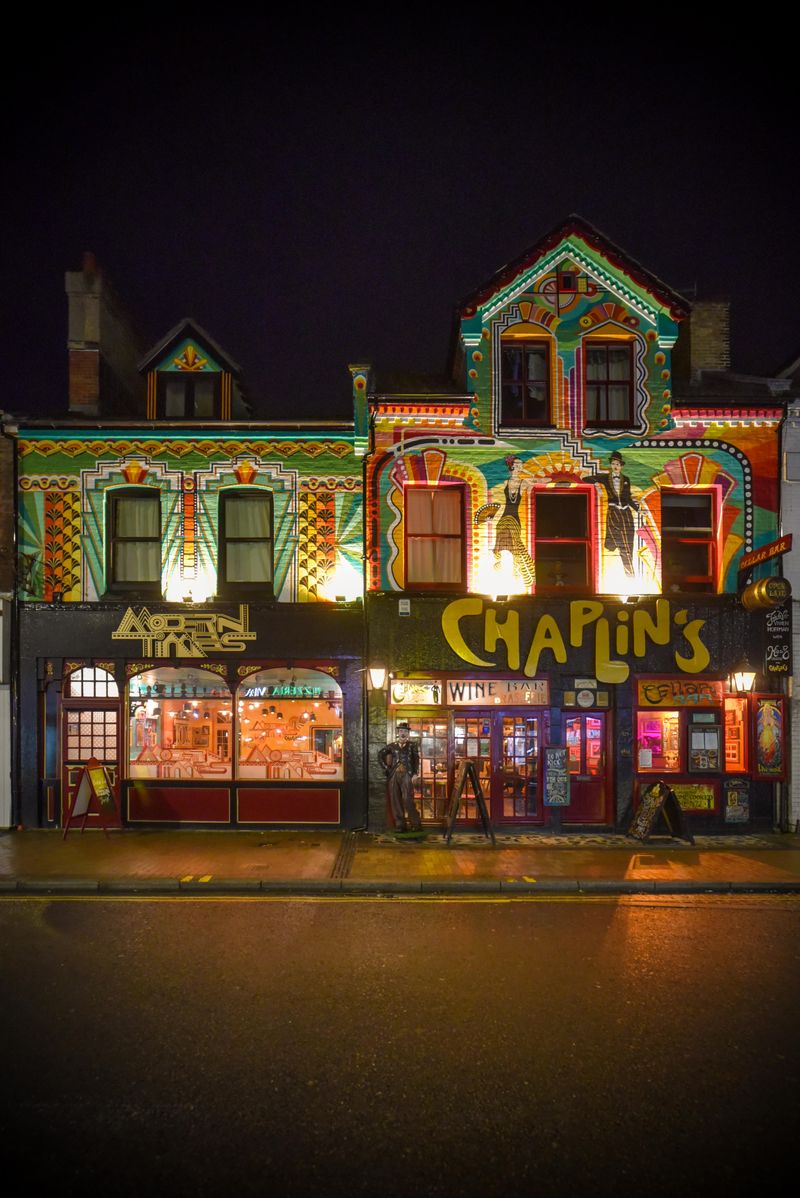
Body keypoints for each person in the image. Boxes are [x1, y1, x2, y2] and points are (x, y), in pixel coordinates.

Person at [586, 450, 639, 577]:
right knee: (620, 541)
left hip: (626, 513)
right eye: (613, 463)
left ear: (621, 466)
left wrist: (638, 510)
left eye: (618, 464)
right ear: (611, 465)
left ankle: (629, 573)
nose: (615, 466)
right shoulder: (606, 478)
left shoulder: (626, 479)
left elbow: (628, 498)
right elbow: (585, 479)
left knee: (628, 541)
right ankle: (629, 573)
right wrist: (597, 480)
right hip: (614, 512)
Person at [492, 455, 535, 586]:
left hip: (515, 520)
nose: (521, 466)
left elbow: (544, 480)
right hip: (503, 519)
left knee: (515, 547)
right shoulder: (505, 482)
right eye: (519, 464)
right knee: (500, 546)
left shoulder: (524, 483)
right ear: (513, 467)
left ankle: (516, 572)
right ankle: (499, 573)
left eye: (521, 464)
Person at [378, 722, 422, 832]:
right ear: (398, 732)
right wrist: (386, 768)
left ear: (408, 733)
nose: (403, 733)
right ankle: (400, 825)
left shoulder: (412, 745)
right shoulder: (392, 746)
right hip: (394, 774)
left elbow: (416, 760)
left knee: (408, 799)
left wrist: (415, 774)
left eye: (405, 731)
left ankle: (415, 823)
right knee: (395, 799)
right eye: (401, 731)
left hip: (407, 774)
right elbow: (380, 755)